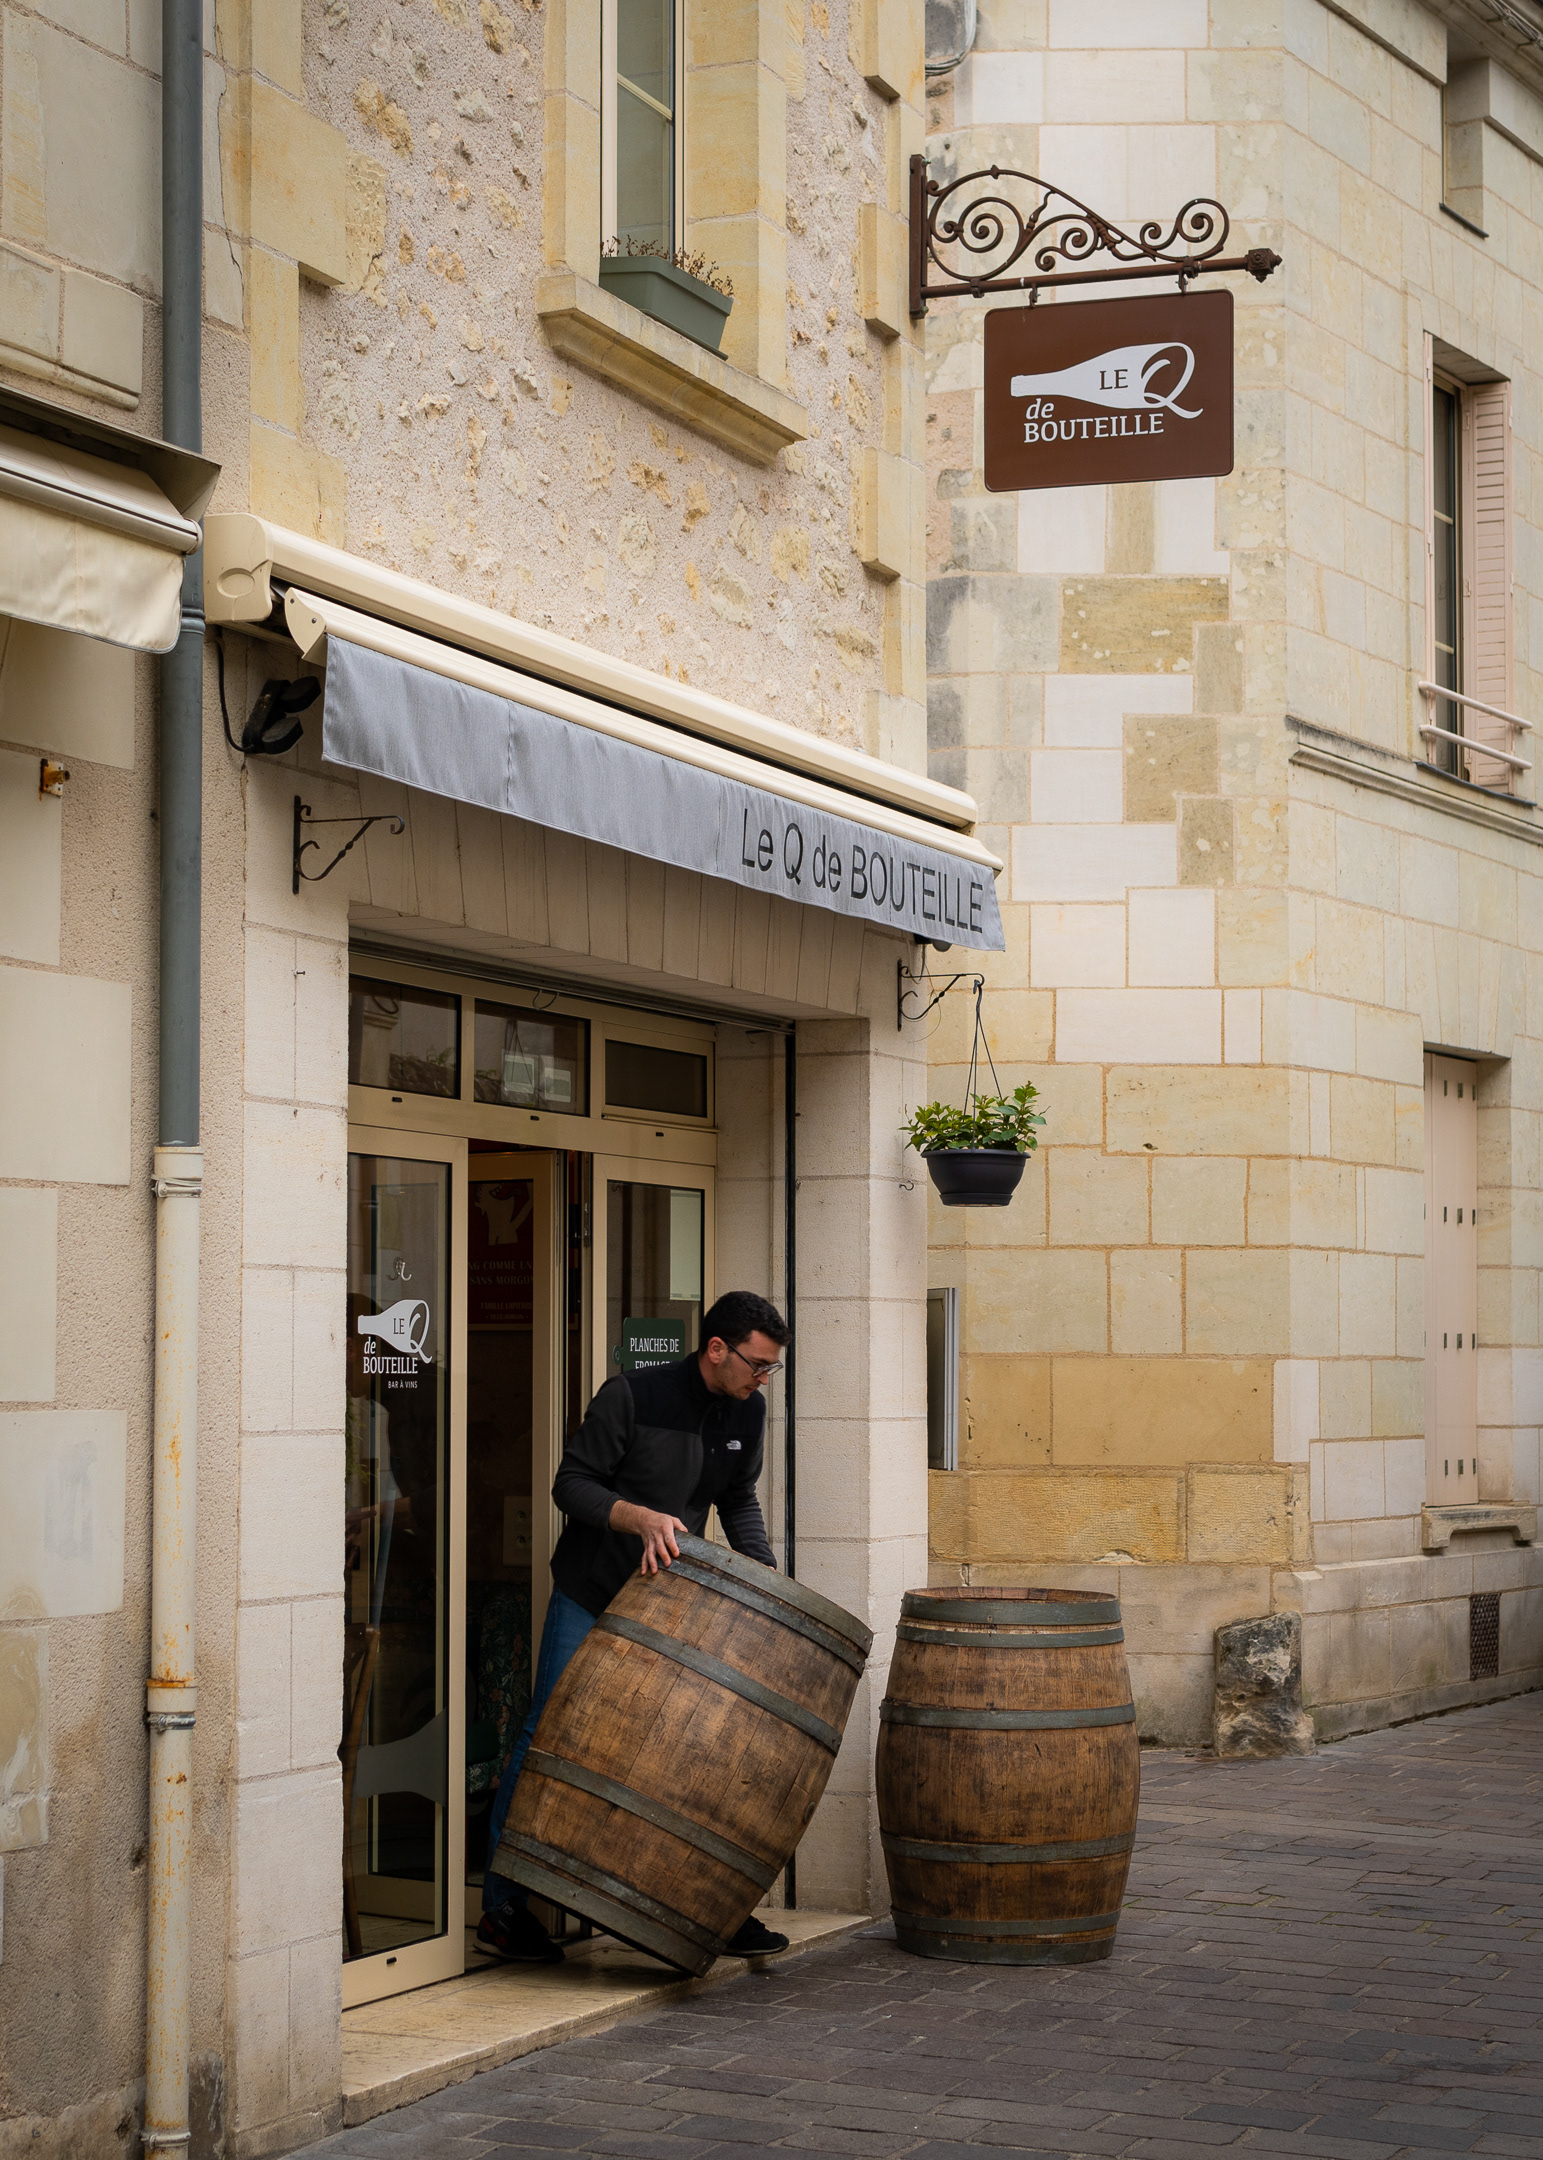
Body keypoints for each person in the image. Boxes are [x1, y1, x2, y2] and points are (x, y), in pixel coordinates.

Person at [477, 1289, 794, 1967]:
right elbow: (571, 1485)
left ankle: (707, 1908)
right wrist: (640, 1517)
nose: (763, 1379)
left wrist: (764, 1574)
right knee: (548, 1738)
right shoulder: (631, 1395)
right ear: (716, 1349)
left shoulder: (748, 1410)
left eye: (771, 1367)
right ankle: (502, 1909)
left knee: (683, 1752)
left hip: (670, 1604)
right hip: (591, 1593)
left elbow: (736, 1497)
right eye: (757, 1364)